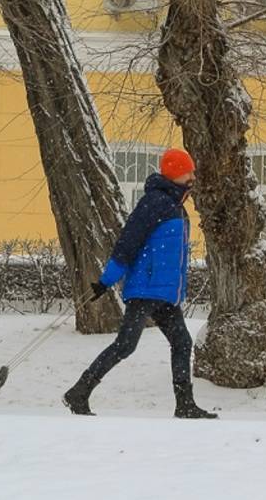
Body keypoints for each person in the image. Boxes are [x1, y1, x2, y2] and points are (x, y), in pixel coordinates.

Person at [63, 149, 216, 419]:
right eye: (189, 171)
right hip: (145, 290)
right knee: (126, 345)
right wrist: (106, 280)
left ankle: (185, 405)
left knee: (182, 342)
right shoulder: (155, 202)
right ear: (176, 173)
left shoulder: (177, 207)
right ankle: (79, 392)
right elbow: (128, 243)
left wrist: (178, 291)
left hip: (165, 295)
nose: (193, 176)